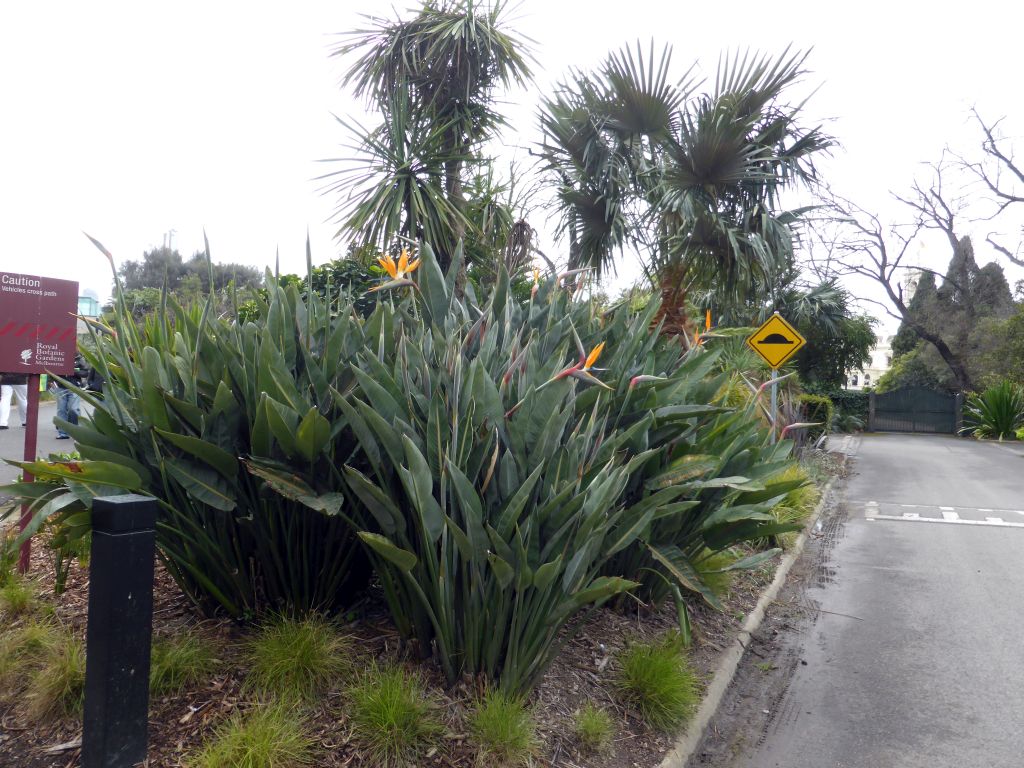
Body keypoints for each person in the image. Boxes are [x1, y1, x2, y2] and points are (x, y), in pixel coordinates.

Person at [55, 354, 88, 440]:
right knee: (61, 410)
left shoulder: (79, 359)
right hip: (60, 387)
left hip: (74, 387)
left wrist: (73, 371)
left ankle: (76, 430)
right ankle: (62, 433)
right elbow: (52, 368)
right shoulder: (59, 355)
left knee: (73, 409)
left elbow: (85, 373)